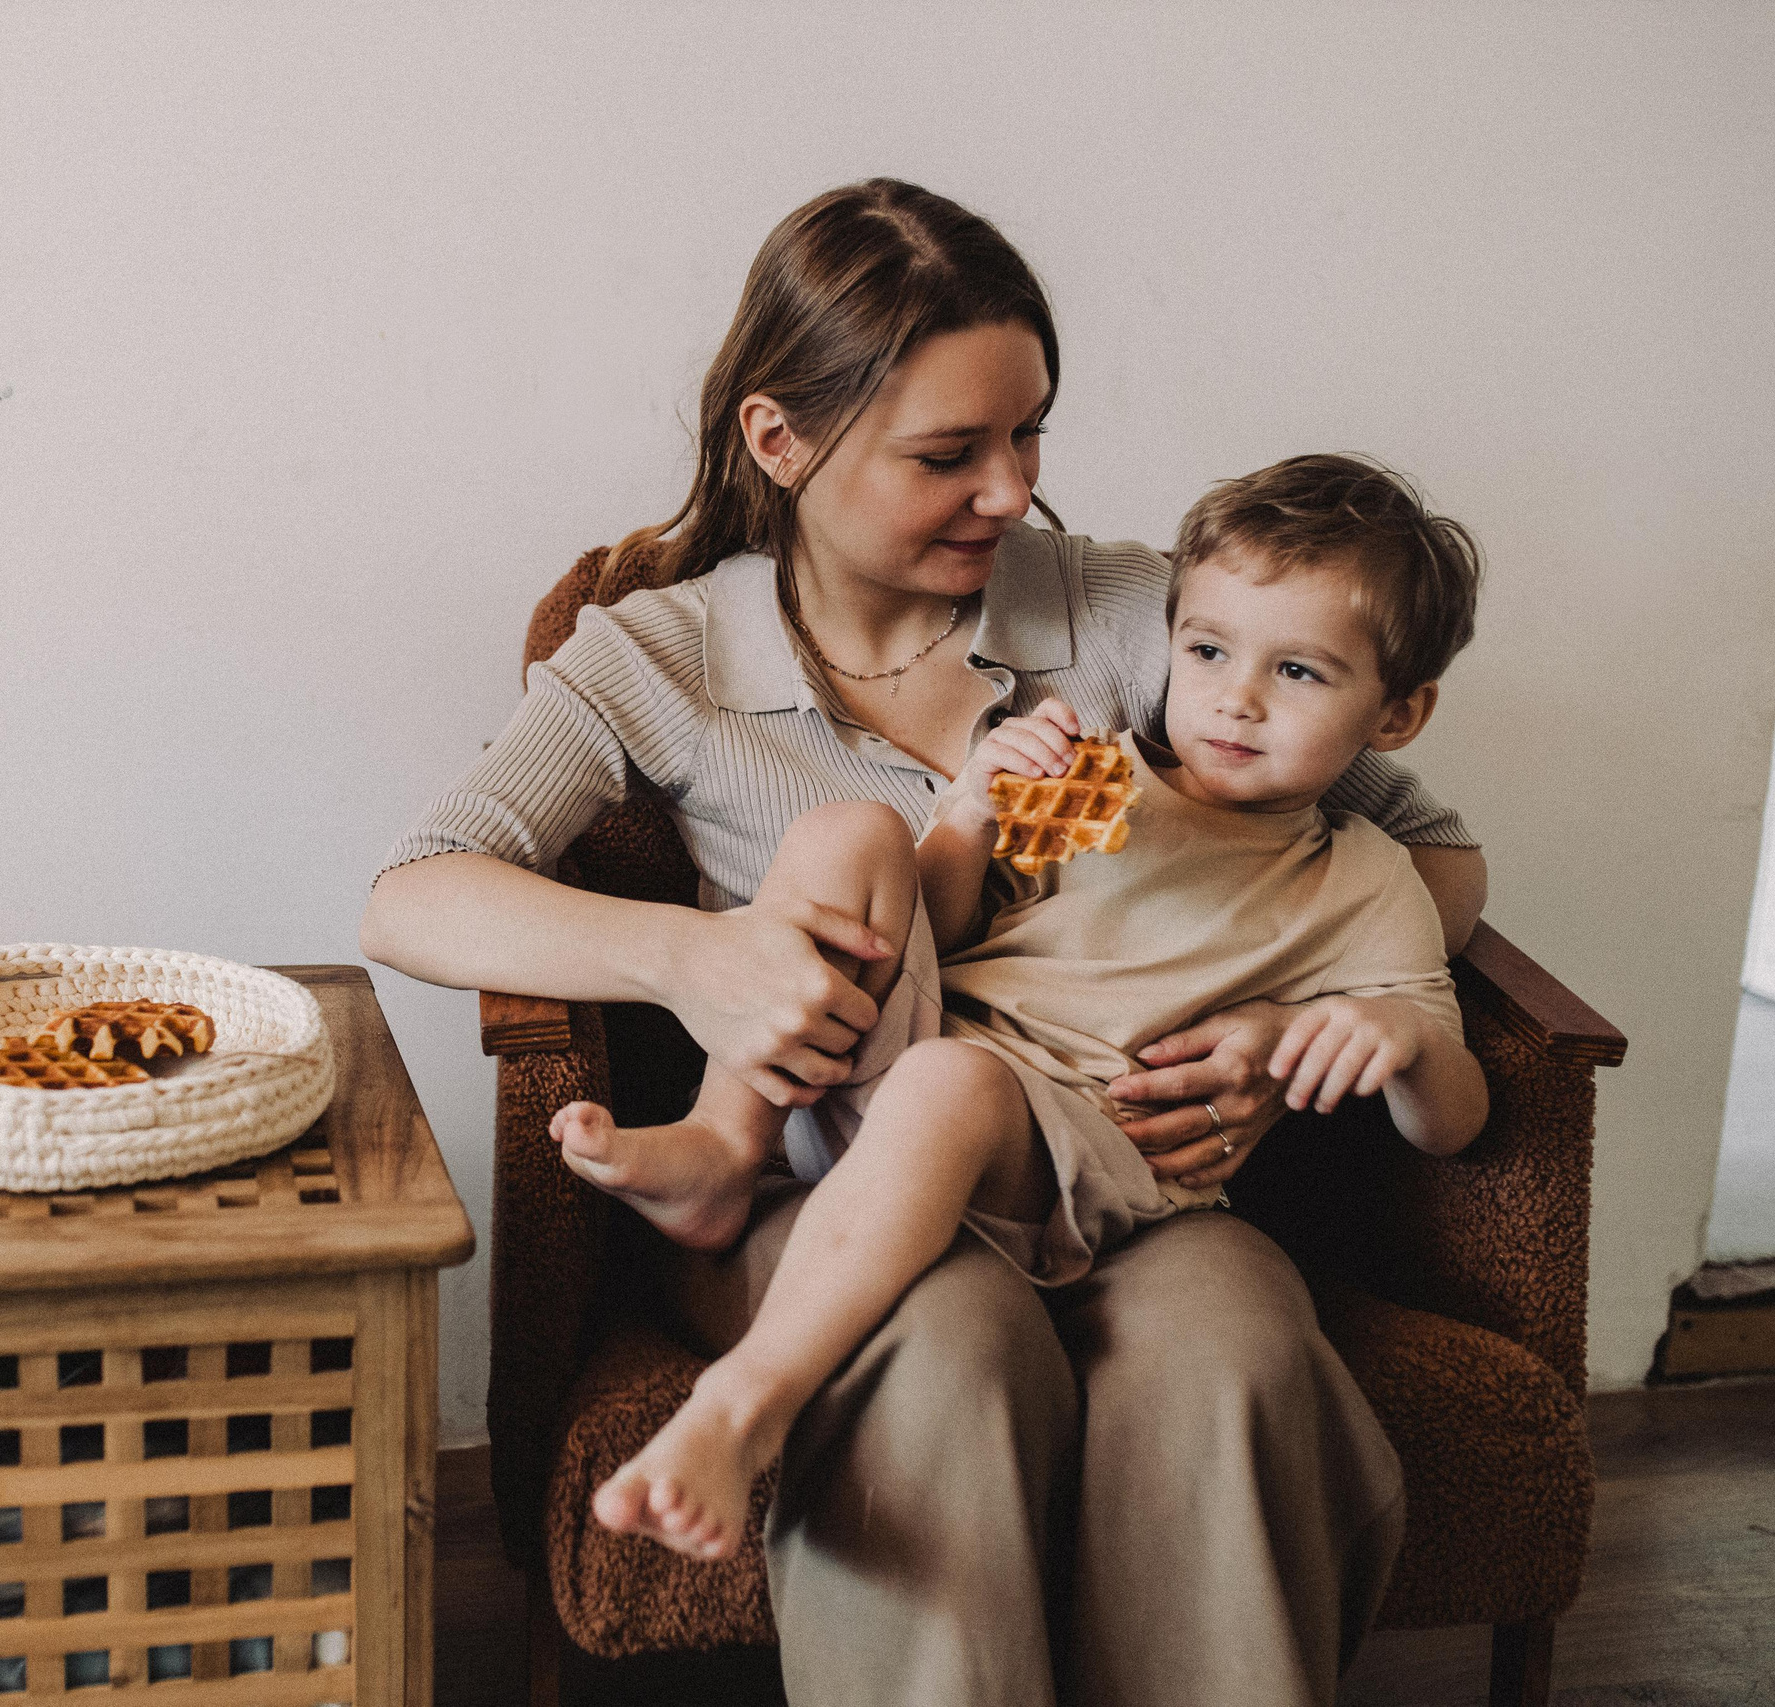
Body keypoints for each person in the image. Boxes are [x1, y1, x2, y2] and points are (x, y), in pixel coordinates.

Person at [362, 179, 1486, 1706]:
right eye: (949, 454)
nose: (1010, 490)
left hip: (1121, 1166)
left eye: (1031, 434)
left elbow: (1422, 863)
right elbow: (417, 892)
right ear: (781, 441)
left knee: (1233, 1342)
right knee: (952, 1341)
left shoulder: (1134, 614)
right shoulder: (658, 650)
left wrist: (1279, 1043)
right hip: (817, 1181)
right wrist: (694, 959)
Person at [556, 453, 1491, 1570]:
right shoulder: (1103, 781)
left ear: (1398, 712)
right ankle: (723, 1145)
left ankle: (746, 1405)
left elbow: (1456, 1120)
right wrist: (966, 815)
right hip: (906, 1087)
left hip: (1087, 1160)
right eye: (1205, 652)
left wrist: (1403, 1043)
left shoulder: (1368, 880)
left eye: (1297, 671)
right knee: (847, 834)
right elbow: (944, 932)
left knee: (953, 1083)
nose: (1235, 698)